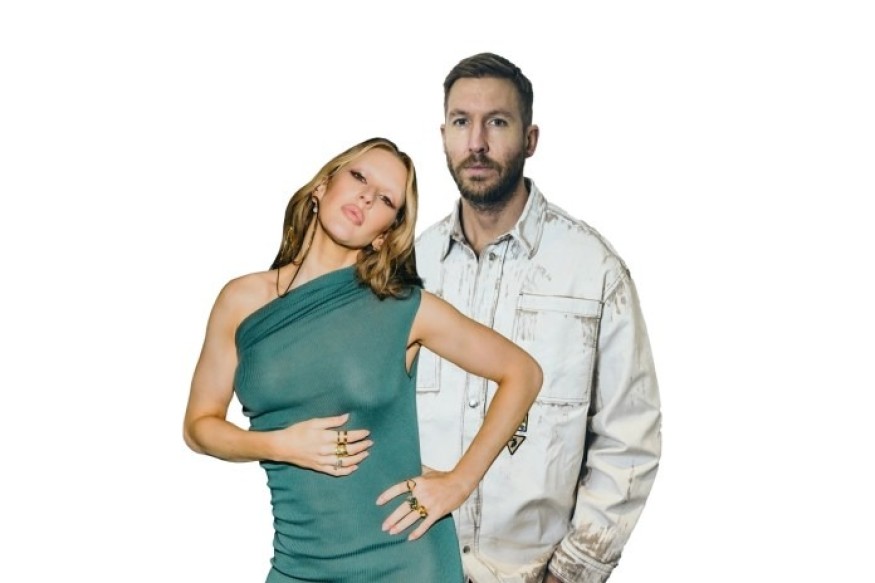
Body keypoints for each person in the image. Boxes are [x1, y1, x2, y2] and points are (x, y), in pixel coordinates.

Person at [183, 136, 543, 583]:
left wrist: (459, 482)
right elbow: (199, 427)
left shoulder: (403, 308)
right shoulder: (240, 301)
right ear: (322, 186)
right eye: (358, 177)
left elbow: (522, 372)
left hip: (404, 559)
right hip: (297, 563)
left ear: (385, 232)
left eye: (386, 199)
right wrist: (279, 444)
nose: (367, 197)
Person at [414, 54, 662, 582]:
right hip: (413, 567)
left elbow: (628, 437)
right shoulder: (408, 269)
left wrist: (570, 574)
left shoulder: (592, 270)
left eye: (497, 122)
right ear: (443, 136)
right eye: (461, 122)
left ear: (530, 139)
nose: (476, 142)